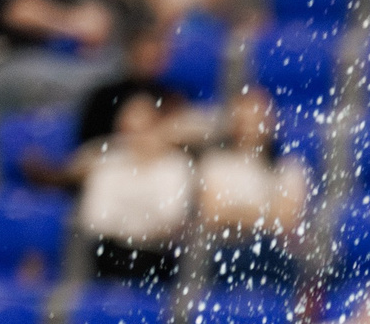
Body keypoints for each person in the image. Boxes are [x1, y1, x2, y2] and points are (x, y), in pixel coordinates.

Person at [196, 87, 309, 289]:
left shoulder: (289, 167)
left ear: (270, 122)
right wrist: (266, 215)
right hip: (226, 250)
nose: (250, 127)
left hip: (273, 252)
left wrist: (235, 213)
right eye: (244, 120)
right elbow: (212, 214)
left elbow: (288, 220)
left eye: (256, 119)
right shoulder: (215, 163)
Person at [77, 91, 193, 285]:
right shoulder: (107, 165)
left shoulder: (177, 166)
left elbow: (171, 218)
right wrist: (144, 219)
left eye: (145, 129)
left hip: (158, 255)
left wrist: (126, 219)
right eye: (130, 131)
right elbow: (95, 219)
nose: (138, 138)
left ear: (158, 127)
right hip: (111, 254)